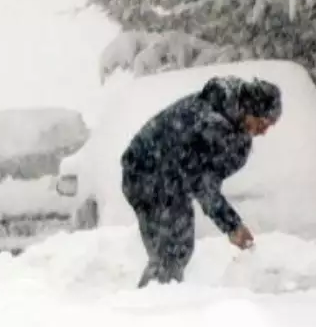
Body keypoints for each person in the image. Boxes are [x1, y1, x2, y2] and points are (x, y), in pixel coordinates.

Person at [120, 75, 282, 288]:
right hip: (145, 174)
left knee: (179, 249)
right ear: (250, 110)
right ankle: (149, 308)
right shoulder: (208, 121)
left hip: (172, 179)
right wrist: (232, 226)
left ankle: (159, 298)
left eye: (269, 125)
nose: (264, 131)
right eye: (262, 123)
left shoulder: (234, 125)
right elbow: (203, 184)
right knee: (171, 252)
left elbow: (208, 178)